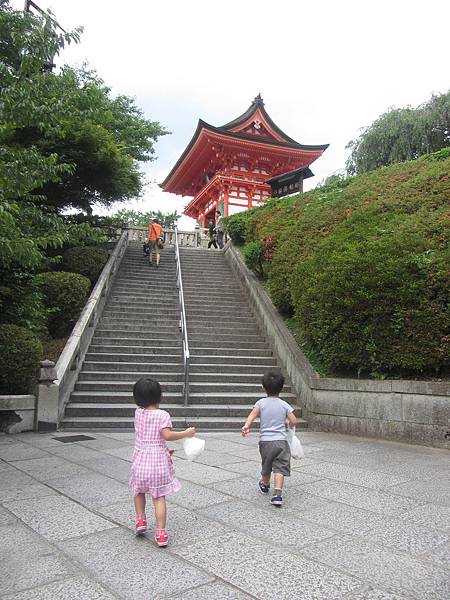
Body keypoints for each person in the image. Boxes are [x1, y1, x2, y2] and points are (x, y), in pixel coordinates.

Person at [129, 377, 195, 546]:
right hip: (157, 462)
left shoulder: (138, 413)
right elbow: (167, 436)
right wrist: (186, 433)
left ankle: (140, 520)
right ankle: (161, 533)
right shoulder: (162, 415)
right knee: (158, 497)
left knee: (139, 491)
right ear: (159, 396)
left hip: (140, 461)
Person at [241, 369, 297, 507]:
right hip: (281, 442)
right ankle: (277, 494)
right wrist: (289, 424)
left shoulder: (260, 403)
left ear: (263, 387)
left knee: (267, 464)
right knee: (280, 468)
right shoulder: (284, 404)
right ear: (282, 388)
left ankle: (265, 484)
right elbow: (294, 420)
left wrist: (246, 426)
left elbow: (252, 415)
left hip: (265, 442)